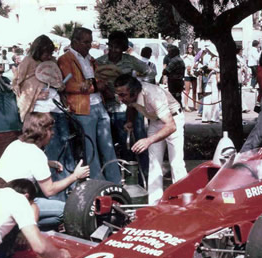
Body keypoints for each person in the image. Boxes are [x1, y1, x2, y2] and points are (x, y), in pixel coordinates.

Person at [0, 112, 90, 230]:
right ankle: (24, 228)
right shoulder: (37, 155)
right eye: (50, 129)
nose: (53, 133)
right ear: (41, 133)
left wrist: (49, 163)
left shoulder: (15, 144)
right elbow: (49, 190)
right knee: (67, 210)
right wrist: (75, 176)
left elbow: (24, 161)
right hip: (14, 202)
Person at [12, 35, 74, 200]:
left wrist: (60, 86)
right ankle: (55, 192)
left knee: (66, 144)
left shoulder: (52, 63)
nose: (48, 56)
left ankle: (70, 185)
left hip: (57, 108)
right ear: (38, 50)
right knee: (52, 148)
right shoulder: (28, 62)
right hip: (41, 110)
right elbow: (18, 85)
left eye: (50, 53)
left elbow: (57, 81)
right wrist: (35, 95)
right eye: (45, 53)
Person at [58, 27, 121, 184]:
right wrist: (95, 85)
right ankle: (98, 184)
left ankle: (115, 182)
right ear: (75, 41)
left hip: (99, 103)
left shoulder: (91, 59)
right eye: (86, 42)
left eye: (90, 42)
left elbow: (100, 81)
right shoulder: (65, 59)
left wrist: (93, 85)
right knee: (90, 148)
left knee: (108, 146)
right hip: (82, 107)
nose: (88, 45)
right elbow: (70, 85)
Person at [114, 74, 187, 205]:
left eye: (123, 95)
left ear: (134, 91)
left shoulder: (154, 95)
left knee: (176, 164)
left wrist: (148, 141)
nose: (120, 99)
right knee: (154, 164)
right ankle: (154, 203)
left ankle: (182, 201)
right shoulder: (131, 96)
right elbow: (132, 106)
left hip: (173, 120)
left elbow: (171, 126)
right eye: (118, 95)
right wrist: (130, 121)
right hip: (155, 121)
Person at [96, 31, 152, 183]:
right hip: (107, 109)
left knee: (135, 145)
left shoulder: (131, 60)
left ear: (124, 48)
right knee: (111, 148)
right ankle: (115, 180)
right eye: (113, 46)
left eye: (119, 47)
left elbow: (150, 72)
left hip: (128, 109)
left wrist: (135, 88)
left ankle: (141, 179)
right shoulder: (99, 62)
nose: (115, 50)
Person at [0, 178, 71, 258]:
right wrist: (62, 254)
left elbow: (34, 207)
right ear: (26, 196)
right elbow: (40, 248)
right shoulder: (18, 199)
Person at [201, 45, 220, 123]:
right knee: (207, 97)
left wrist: (212, 69)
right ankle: (206, 117)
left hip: (215, 78)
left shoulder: (217, 59)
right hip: (209, 78)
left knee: (215, 98)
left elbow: (220, 69)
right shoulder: (210, 59)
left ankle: (214, 117)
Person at [182, 44, 198, 112]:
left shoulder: (195, 56)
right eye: (189, 47)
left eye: (191, 47)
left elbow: (197, 64)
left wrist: (195, 66)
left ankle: (195, 105)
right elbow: (183, 64)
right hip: (187, 75)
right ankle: (186, 106)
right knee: (187, 91)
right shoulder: (185, 56)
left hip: (193, 74)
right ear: (187, 48)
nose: (190, 49)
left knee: (194, 90)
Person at [237, 45, 250, 113]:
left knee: (242, 92)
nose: (242, 51)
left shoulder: (241, 57)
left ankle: (243, 107)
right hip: (238, 76)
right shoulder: (236, 58)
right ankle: (243, 107)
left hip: (242, 75)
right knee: (240, 92)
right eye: (241, 50)